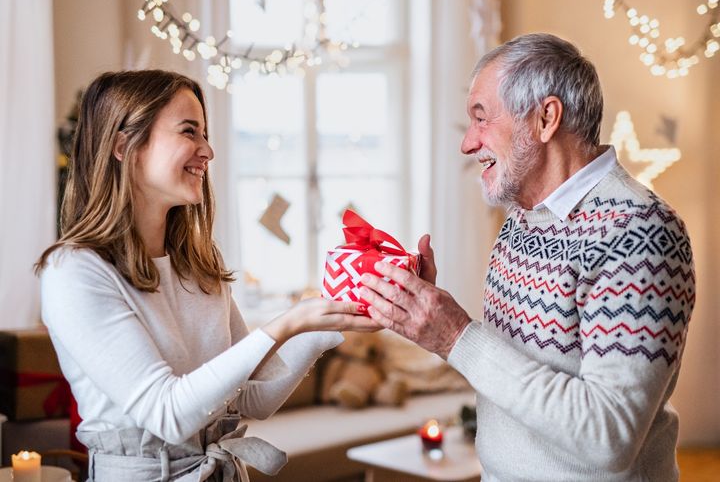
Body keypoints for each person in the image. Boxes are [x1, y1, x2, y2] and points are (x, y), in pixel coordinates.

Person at [360, 33, 695, 481]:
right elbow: (513, 371)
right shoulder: (522, 219)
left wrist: (456, 336)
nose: (467, 143)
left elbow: (608, 436)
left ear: (545, 117)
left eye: (481, 119)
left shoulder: (639, 231)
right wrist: (430, 322)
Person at [35, 70, 378, 481]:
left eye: (206, 133)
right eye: (189, 132)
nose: (208, 151)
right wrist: (287, 323)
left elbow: (253, 400)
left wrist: (333, 318)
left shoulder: (196, 263)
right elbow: (168, 414)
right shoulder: (74, 271)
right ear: (125, 146)